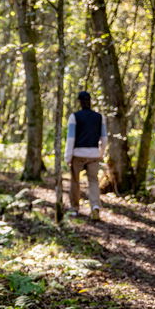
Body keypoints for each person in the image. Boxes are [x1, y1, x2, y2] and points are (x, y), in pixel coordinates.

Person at [64, 91, 107, 220]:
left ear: (79, 102)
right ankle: (95, 207)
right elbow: (104, 138)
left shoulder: (74, 117)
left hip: (77, 154)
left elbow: (70, 139)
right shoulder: (99, 117)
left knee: (75, 181)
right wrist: (101, 153)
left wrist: (68, 156)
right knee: (93, 181)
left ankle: (74, 209)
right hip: (94, 154)